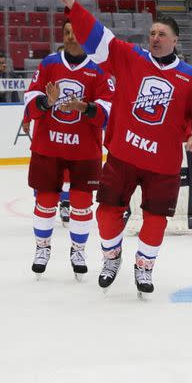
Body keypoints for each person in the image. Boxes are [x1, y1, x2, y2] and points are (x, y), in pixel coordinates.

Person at [50, 0, 192, 296]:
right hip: (123, 155)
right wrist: (73, 6)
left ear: (175, 41)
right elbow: (99, 38)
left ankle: (144, 265)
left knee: (155, 221)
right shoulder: (130, 57)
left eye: (162, 35)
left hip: (164, 164)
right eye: (153, 33)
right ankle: (112, 256)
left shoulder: (190, 77)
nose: (155, 38)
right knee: (105, 213)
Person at [23, 20, 113, 279]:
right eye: (66, 33)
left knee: (82, 204)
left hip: (85, 150)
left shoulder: (99, 68)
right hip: (48, 146)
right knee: (46, 201)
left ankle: (79, 250)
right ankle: (42, 248)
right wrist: (45, 102)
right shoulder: (49, 63)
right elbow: (30, 99)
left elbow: (108, 110)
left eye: (76, 33)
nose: (71, 37)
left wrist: (85, 108)